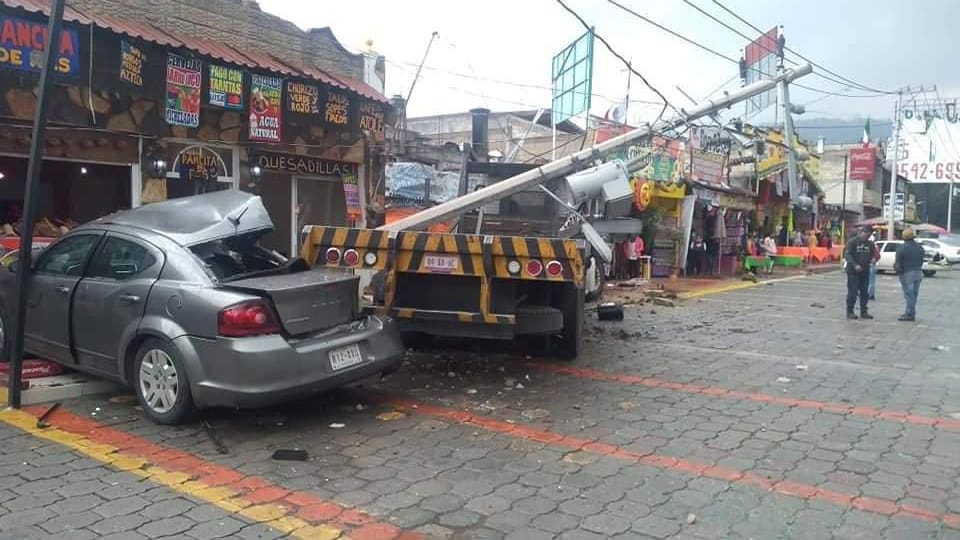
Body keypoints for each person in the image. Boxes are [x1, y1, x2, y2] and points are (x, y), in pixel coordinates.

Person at [844, 226, 876, 320]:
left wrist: (873, 259)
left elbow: (873, 254)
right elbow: (848, 255)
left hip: (865, 271)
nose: (867, 236)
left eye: (869, 235)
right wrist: (854, 265)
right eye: (866, 234)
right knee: (852, 292)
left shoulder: (870, 244)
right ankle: (850, 311)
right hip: (853, 271)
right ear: (862, 232)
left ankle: (864, 311)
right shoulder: (852, 241)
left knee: (864, 292)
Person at [895, 228, 925, 321]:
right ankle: (910, 312)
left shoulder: (902, 248)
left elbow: (898, 263)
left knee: (908, 295)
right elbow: (921, 260)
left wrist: (898, 272)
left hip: (907, 273)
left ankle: (909, 314)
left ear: (904, 237)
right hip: (918, 272)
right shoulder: (920, 248)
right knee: (914, 295)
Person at [867, 231, 881, 300]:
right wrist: (875, 259)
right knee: (872, 281)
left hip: (868, 265)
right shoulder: (876, 246)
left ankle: (868, 294)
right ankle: (871, 294)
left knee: (867, 281)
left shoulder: (868, 246)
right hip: (873, 265)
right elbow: (878, 256)